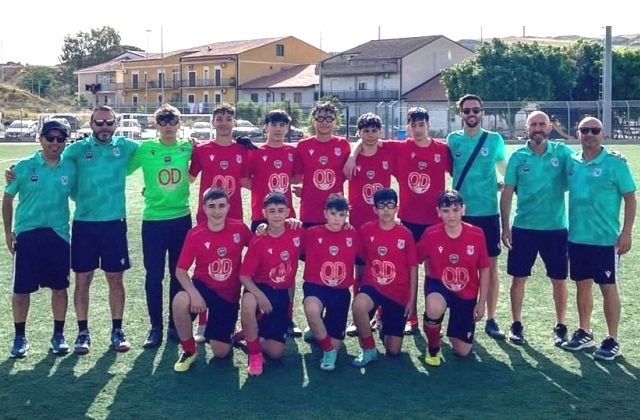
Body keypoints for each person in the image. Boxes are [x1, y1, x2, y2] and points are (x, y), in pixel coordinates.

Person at [346, 107, 451, 335]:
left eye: (421, 125)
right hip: (407, 219)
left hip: (434, 221)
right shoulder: (401, 148)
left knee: (432, 270)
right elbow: (368, 141)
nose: (417, 129)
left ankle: (428, 317)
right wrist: (353, 156)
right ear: (407, 127)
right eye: (413, 125)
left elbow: (459, 172)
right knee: (398, 268)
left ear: (428, 125)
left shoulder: (442, 149)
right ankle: (396, 316)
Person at [58, 105, 138, 354]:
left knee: (116, 279)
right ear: (90, 125)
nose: (104, 127)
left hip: (114, 224)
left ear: (116, 124)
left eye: (109, 122)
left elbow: (158, 149)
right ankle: (83, 333)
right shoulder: (77, 150)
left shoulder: (126, 146)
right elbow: (51, 159)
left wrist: (190, 143)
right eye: (99, 123)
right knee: (83, 280)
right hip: (84, 224)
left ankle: (117, 330)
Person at [561, 117, 636, 361]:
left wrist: (626, 232)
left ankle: (612, 338)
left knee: (608, 287)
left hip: (605, 241)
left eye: (595, 130)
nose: (589, 134)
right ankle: (585, 331)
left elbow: (630, 199)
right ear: (578, 133)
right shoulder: (571, 161)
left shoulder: (615, 163)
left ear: (603, 134)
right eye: (585, 130)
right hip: (577, 238)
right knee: (582, 285)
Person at [3, 121, 76, 358]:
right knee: (22, 290)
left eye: (60, 139)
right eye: (50, 138)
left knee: (59, 288)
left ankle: (58, 335)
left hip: (58, 235)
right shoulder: (23, 167)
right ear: (41, 138)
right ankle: (20, 338)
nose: (55, 143)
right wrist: (8, 232)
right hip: (28, 235)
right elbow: (7, 199)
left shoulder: (70, 167)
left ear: (66, 141)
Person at [500, 111, 573, 346]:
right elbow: (507, 194)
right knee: (518, 278)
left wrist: (613, 155)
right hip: (524, 228)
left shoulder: (562, 153)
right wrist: (505, 227)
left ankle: (561, 326)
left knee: (559, 279)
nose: (538, 128)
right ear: (527, 128)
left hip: (556, 229)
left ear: (549, 127)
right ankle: (516, 324)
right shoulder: (518, 157)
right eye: (534, 124)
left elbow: (586, 161)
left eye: (542, 124)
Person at [128, 104, 194, 349]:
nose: (168, 125)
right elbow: (121, 169)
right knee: (154, 276)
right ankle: (155, 327)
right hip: (153, 221)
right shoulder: (145, 149)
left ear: (179, 124)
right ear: (156, 124)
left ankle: (175, 325)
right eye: (163, 121)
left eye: (172, 120)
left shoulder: (188, 147)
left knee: (179, 274)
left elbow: (201, 166)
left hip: (181, 219)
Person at [446, 94, 507, 340]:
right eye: (467, 110)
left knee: (490, 267)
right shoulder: (453, 140)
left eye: (476, 110)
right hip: (460, 215)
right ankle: (457, 313)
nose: (472, 114)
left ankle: (491, 318)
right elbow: (451, 169)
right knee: (457, 264)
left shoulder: (494, 140)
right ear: (460, 113)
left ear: (482, 112)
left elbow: (504, 168)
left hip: (489, 213)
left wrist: (504, 182)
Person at [189, 103, 251, 342]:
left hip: (233, 217)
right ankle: (202, 321)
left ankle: (228, 317)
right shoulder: (202, 150)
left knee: (232, 267)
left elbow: (248, 181)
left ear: (234, 122)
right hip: (206, 218)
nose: (224, 122)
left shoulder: (242, 150)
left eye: (228, 118)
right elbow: (190, 178)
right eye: (219, 118)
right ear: (212, 122)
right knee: (204, 267)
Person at [171, 188, 251, 372]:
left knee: (220, 353)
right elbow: (181, 271)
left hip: (228, 295)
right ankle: (189, 350)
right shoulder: (195, 234)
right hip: (202, 288)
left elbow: (258, 246)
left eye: (221, 206)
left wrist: (265, 228)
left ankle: (229, 334)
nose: (217, 211)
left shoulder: (239, 228)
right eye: (212, 206)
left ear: (228, 207)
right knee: (180, 300)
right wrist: (195, 295)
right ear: (204, 208)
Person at [290, 101, 351, 336]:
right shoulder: (303, 145)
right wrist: (300, 188)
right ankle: (314, 318)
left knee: (336, 263)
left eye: (329, 118)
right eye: (320, 117)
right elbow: (295, 176)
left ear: (335, 121)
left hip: (335, 217)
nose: (324, 122)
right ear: (313, 120)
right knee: (314, 267)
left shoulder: (343, 145)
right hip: (310, 216)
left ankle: (333, 317)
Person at [417, 190, 490, 366]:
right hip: (439, 285)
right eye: (446, 210)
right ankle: (433, 343)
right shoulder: (430, 233)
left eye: (456, 210)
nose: (451, 215)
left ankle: (451, 329)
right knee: (434, 307)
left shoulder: (477, 234)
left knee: (463, 351)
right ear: (439, 212)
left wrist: (481, 303)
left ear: (463, 210)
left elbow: (485, 269)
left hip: (466, 292)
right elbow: (414, 259)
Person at [351, 188, 417, 367]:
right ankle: (368, 349)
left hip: (398, 292)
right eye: (381, 206)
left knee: (393, 351)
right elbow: (356, 255)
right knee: (358, 306)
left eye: (390, 205)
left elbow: (413, 268)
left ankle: (383, 324)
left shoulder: (405, 234)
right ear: (375, 209)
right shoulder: (366, 230)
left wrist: (411, 301)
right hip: (373, 286)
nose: (386, 210)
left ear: (397, 208)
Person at [238, 192, 303, 376]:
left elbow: (321, 233)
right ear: (264, 213)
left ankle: (250, 334)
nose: (276, 215)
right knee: (249, 302)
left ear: (288, 212)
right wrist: (260, 296)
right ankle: (255, 354)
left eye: (281, 211)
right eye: (272, 211)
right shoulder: (259, 239)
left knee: (276, 353)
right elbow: (244, 276)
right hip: (260, 288)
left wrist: (345, 224)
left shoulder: (297, 231)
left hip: (281, 293)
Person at [302, 194, 361, 371]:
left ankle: (321, 333)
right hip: (316, 287)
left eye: (341, 215)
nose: (337, 218)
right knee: (312, 309)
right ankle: (326, 348)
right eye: (333, 213)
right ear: (325, 213)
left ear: (346, 216)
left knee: (337, 343)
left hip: (340, 291)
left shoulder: (352, 233)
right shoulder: (311, 233)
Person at [247, 109, 298, 232]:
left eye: (282, 125)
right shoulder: (255, 152)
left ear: (287, 128)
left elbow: (297, 177)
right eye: (273, 125)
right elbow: (244, 180)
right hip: (261, 212)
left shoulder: (293, 152)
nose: (278, 129)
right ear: (266, 127)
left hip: (286, 213)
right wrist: (262, 187)